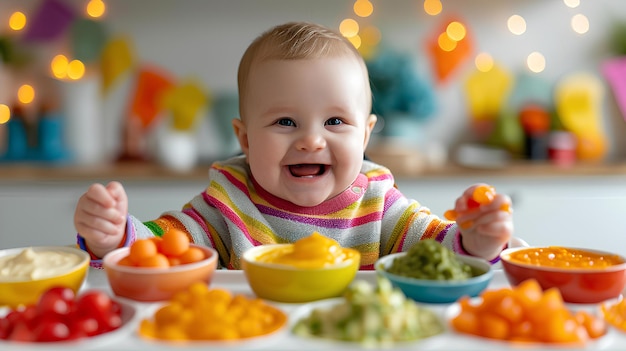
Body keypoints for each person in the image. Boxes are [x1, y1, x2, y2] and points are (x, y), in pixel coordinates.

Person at [74, 21, 514, 270]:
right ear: (244, 138)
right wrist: (115, 237)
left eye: (336, 121)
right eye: (285, 121)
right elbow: (165, 245)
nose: (310, 139)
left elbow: (441, 249)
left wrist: (477, 242)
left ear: (364, 136)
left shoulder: (380, 204)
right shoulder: (229, 200)